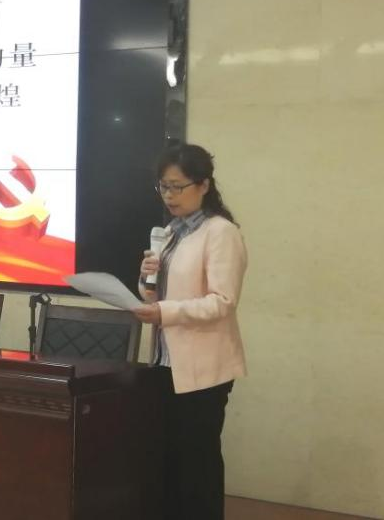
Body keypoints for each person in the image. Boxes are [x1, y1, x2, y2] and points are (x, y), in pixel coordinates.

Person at [132, 142, 247, 520]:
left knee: (197, 462)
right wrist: (147, 281)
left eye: (177, 186)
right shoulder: (170, 232)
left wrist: (163, 311)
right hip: (166, 362)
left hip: (203, 368)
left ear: (204, 185)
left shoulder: (220, 232)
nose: (169, 195)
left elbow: (222, 301)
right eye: (163, 187)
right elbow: (160, 294)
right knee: (167, 459)